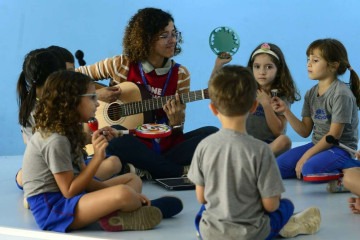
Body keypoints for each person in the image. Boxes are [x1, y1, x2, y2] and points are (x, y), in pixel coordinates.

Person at [22, 70, 184, 232]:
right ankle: (135, 208)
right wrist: (98, 158)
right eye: (92, 97)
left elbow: (84, 179)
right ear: (70, 102)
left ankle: (120, 213)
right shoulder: (56, 140)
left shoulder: (69, 131)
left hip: (71, 197)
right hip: (53, 209)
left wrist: (109, 189)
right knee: (123, 193)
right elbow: (69, 191)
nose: (98, 103)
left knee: (132, 180)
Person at [76, 7, 218, 179]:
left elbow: (176, 133)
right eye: (164, 36)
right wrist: (97, 96)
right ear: (145, 39)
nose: (172, 40)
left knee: (212, 132)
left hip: (162, 146)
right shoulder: (121, 64)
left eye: (174, 33)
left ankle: (144, 168)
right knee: (114, 134)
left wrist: (177, 122)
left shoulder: (181, 74)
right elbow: (69, 78)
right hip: (129, 142)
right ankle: (173, 171)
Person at [187, 65, 321, 239]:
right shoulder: (261, 151)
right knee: (285, 206)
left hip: (211, 232)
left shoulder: (203, 146)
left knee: (205, 210)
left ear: (213, 109)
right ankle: (283, 227)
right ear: (253, 106)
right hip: (251, 233)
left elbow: (202, 197)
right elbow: (271, 205)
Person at [16, 47, 123, 190]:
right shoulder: (51, 108)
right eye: (68, 73)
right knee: (23, 176)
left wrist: (96, 137)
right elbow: (56, 147)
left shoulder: (54, 103)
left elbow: (71, 139)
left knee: (114, 162)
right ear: (56, 78)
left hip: (66, 165)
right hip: (54, 171)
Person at [273, 39, 360, 189]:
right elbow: (305, 131)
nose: (309, 64)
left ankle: (350, 171)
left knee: (309, 171)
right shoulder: (311, 93)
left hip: (340, 149)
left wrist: (305, 157)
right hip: (317, 144)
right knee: (278, 168)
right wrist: (286, 111)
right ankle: (329, 166)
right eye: (308, 59)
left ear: (334, 65)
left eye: (315, 60)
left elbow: (334, 137)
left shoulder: (341, 94)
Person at [210, 43, 300, 156]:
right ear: (251, 68)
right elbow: (215, 91)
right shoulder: (245, 88)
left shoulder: (281, 95)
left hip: (268, 145)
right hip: (244, 142)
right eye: (257, 66)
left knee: (284, 141)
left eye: (269, 67)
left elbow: (278, 132)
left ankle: (252, 158)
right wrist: (218, 66)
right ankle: (250, 157)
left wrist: (266, 104)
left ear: (278, 70)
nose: (262, 72)